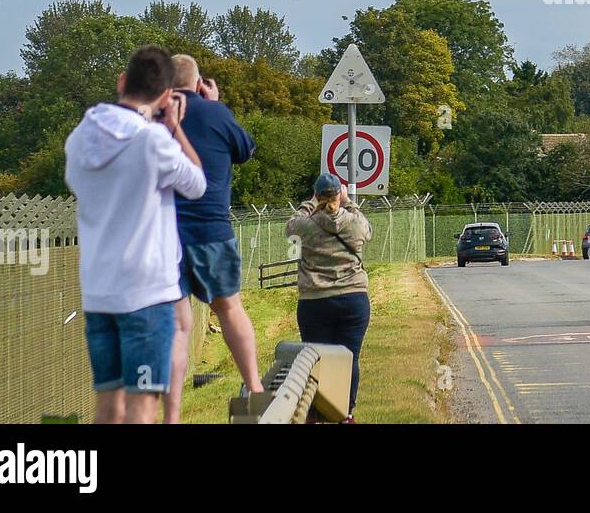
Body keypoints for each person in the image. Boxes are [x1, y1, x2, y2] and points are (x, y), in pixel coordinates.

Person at [64, 46, 207, 423]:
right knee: (143, 405)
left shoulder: (79, 138)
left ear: (122, 81)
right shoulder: (153, 142)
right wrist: (174, 127)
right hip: (147, 293)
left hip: (99, 292)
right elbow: (196, 185)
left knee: (109, 403)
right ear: (165, 97)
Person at [164, 54, 262, 424]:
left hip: (163, 237)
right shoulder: (215, 113)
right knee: (229, 307)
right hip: (211, 231)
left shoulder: (153, 116)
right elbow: (245, 150)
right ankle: (254, 390)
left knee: (176, 325)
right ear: (198, 81)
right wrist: (215, 104)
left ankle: (171, 415)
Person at [286, 174, 373, 421]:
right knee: (349, 358)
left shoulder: (305, 225)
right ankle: (346, 413)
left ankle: (318, 409)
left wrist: (310, 203)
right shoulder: (354, 223)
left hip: (315, 300)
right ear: (338, 195)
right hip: (353, 298)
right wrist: (348, 201)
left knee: (317, 360)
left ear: (317, 196)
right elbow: (367, 229)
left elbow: (290, 226)